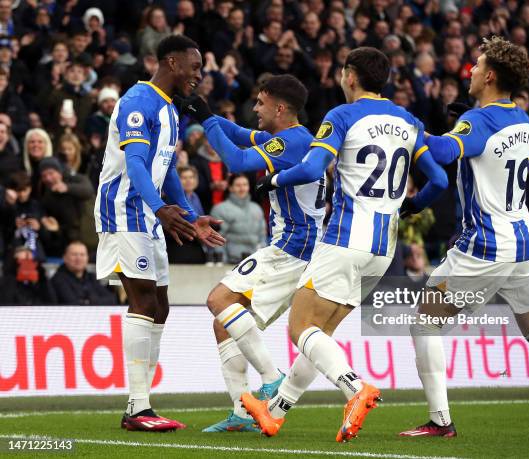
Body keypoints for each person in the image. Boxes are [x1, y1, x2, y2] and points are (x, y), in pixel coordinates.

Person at [399, 36, 529, 439]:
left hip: (485, 243)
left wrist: (412, 132)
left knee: (424, 323)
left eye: (477, 65)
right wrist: (462, 126)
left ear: (491, 75)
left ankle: (440, 422)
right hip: (520, 240)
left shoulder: (479, 121)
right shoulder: (521, 119)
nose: (472, 70)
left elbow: (446, 154)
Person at [241, 47, 448, 442]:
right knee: (321, 334)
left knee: (301, 326)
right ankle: (275, 411)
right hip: (383, 248)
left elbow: (313, 167)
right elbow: (438, 181)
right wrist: (411, 207)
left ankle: (355, 388)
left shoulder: (342, 116)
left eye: (341, 72)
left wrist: (274, 181)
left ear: (351, 76)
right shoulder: (409, 121)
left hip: (344, 239)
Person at [180, 74, 325, 433]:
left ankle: (272, 378)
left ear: (280, 107)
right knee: (224, 323)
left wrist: (207, 120)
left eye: (260, 103)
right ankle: (243, 413)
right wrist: (210, 116)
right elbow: (242, 134)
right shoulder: (290, 138)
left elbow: (237, 161)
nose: (255, 109)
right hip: (299, 247)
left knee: (218, 299)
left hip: (292, 246)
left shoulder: (290, 142)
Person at [93, 35, 225, 433]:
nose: (198, 76)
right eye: (194, 67)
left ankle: (141, 404)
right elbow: (135, 165)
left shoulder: (169, 109)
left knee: (161, 305)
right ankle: (137, 408)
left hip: (149, 214)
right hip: (124, 211)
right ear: (171, 62)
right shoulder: (138, 102)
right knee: (144, 300)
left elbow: (164, 169)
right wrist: (160, 209)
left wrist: (188, 214)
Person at [209, 174, 266, 264]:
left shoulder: (256, 208)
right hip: (232, 261)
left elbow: (262, 237)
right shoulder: (220, 209)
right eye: (238, 185)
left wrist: (262, 258)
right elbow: (217, 240)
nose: (242, 188)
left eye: (245, 185)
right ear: (230, 188)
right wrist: (222, 263)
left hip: (255, 261)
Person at [51, 241, 118, 305]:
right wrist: (94, 300)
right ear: (65, 258)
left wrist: (88, 302)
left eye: (82, 255)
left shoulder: (91, 277)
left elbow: (112, 299)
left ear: (87, 258)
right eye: (74, 254)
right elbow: (73, 304)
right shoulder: (58, 279)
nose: (78, 258)